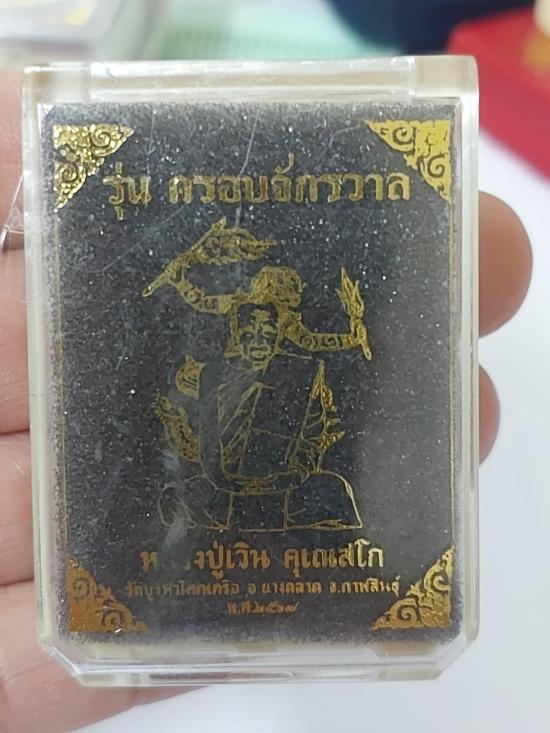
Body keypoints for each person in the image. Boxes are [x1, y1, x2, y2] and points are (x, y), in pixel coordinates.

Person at [0, 73, 532, 732]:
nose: (262, 326)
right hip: (205, 504)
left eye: (273, 318)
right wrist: (177, 278)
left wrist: (355, 333)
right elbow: (201, 305)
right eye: (255, 318)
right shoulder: (220, 354)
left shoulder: (293, 351)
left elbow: (321, 346)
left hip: (291, 502)